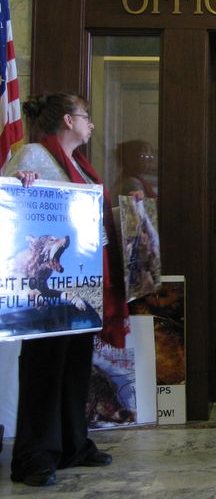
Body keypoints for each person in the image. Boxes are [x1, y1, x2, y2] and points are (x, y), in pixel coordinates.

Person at [4, 92, 129, 486]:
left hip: (82, 279)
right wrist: (17, 182)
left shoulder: (81, 164)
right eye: (85, 116)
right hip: (45, 287)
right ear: (67, 121)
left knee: (75, 364)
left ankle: (74, 442)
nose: (90, 122)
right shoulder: (32, 156)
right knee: (44, 367)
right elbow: (9, 203)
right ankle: (33, 455)